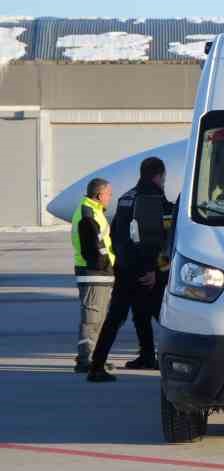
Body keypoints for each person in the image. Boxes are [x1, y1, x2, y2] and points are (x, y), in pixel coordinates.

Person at [88, 157, 174, 380]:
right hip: (145, 271)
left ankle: (130, 358)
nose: (164, 182)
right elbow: (152, 239)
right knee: (166, 316)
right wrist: (152, 270)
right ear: (158, 176)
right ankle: (182, 358)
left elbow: (117, 234)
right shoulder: (152, 199)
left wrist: (122, 265)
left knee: (126, 316)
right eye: (163, 178)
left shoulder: (126, 197)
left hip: (125, 269)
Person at [70, 178, 116, 378]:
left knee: (98, 319)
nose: (110, 198)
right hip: (94, 273)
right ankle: (85, 360)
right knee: (92, 318)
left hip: (100, 274)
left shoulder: (93, 211)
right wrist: (104, 264)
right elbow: (94, 248)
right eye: (108, 194)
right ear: (99, 195)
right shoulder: (88, 213)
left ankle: (95, 358)